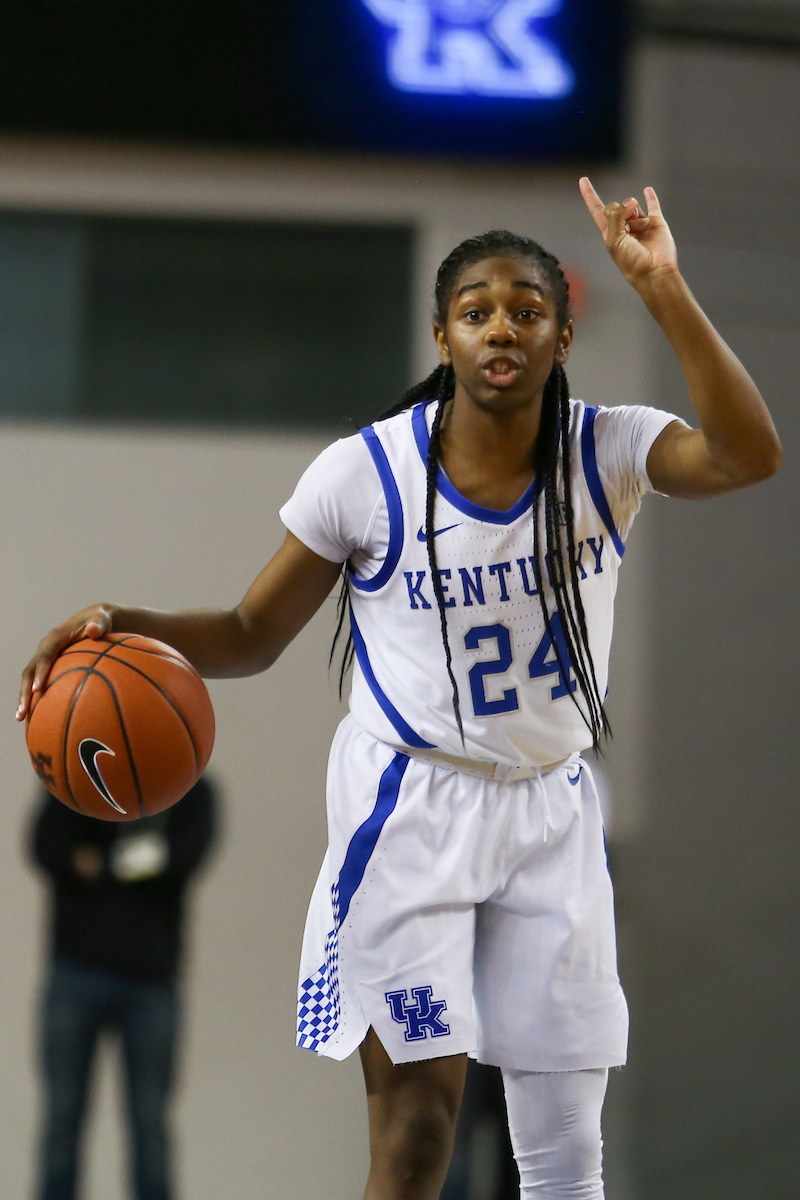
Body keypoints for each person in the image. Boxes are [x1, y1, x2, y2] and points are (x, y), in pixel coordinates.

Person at [18, 180, 781, 1200]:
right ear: (441, 336)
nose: (499, 326)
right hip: (409, 808)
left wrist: (663, 288)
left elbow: (746, 454)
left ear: (559, 336)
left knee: (561, 1155)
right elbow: (251, 636)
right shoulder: (363, 472)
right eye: (475, 310)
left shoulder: (606, 449)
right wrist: (127, 621)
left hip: (549, 808)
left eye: (526, 308)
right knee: (419, 1135)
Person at [29, 776, 218, 1200]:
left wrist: (99, 862)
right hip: (74, 971)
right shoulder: (74, 780)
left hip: (151, 981)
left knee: (149, 1123)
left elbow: (184, 858)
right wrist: (139, 865)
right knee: (62, 1118)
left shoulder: (189, 789)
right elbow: (46, 848)